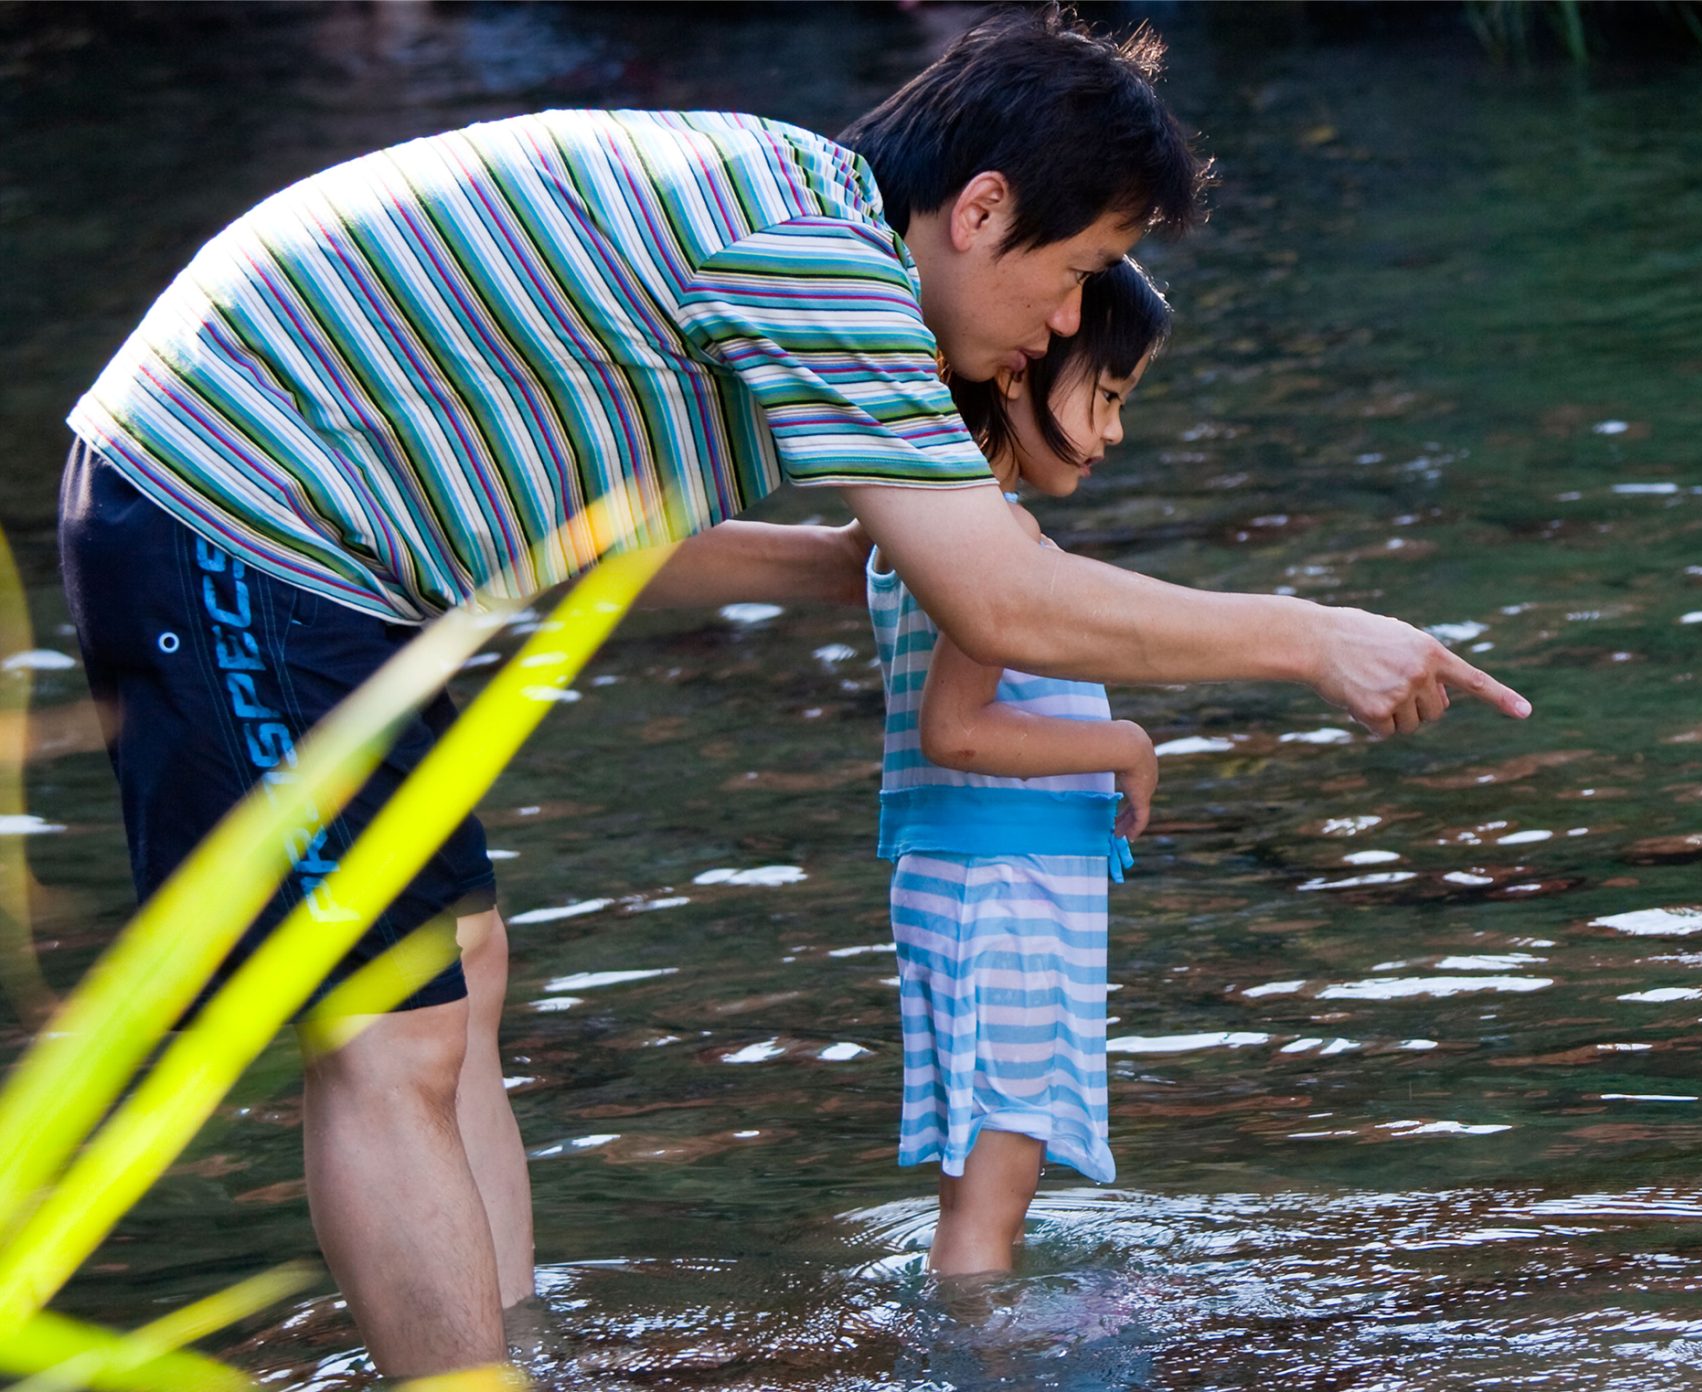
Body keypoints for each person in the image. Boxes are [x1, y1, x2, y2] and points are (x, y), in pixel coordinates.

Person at [56, 7, 1525, 1377]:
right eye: (1077, 272)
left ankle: (512, 1352)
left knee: (462, 973)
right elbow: (1005, 605)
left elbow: (601, 546)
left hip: (334, 550)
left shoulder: (801, 226)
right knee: (388, 1030)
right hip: (230, 516)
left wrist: (845, 567)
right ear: (983, 211)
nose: (1068, 322)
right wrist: (1308, 636)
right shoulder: (817, 264)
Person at [872, 258, 1168, 1278]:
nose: (1113, 431)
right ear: (1018, 369)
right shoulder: (991, 542)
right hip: (1003, 893)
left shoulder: (920, 522)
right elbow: (956, 730)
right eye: (1108, 395)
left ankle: (983, 1332)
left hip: (979, 884)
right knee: (992, 1197)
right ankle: (981, 1347)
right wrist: (1124, 744)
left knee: (987, 1182)